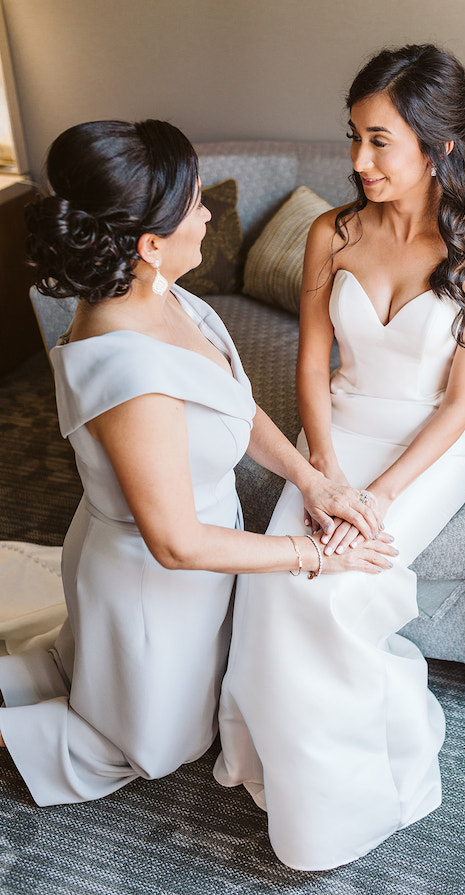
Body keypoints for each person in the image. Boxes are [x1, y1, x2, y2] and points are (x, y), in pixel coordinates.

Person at [0, 119, 394, 807]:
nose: (209, 215)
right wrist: (315, 554)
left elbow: (232, 405)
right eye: (197, 205)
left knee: (105, 678)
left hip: (173, 560)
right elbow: (177, 542)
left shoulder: (157, 293)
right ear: (151, 244)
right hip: (152, 586)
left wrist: (312, 477)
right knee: (143, 745)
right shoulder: (131, 374)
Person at [212, 45, 465, 871]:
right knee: (277, 578)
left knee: (335, 595)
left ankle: (366, 771)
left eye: (380, 140)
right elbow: (311, 367)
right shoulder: (330, 231)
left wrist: (373, 497)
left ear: (437, 143)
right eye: (354, 136)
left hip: (425, 450)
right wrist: (324, 474)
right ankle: (277, 756)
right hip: (337, 435)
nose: (358, 161)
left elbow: (458, 404)